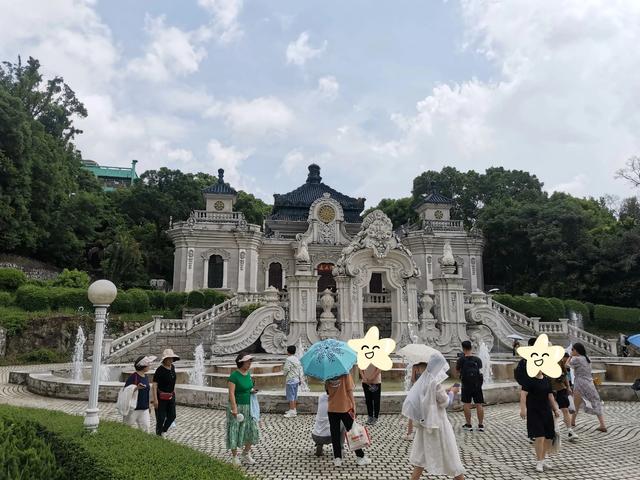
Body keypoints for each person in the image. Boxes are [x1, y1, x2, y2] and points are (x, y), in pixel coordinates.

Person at [403, 352, 465, 480]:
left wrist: (445, 391)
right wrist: (452, 392)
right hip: (438, 424)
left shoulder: (420, 382)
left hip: (425, 424)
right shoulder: (434, 382)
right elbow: (445, 403)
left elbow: (430, 398)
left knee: (420, 461)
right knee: (450, 456)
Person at [519, 366, 561, 473]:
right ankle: (539, 462)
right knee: (540, 437)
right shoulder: (529, 379)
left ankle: (543, 459)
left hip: (546, 411)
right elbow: (523, 395)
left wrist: (555, 409)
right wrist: (523, 409)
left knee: (548, 438)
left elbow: (550, 396)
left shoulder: (546, 380)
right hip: (534, 412)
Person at [325, 373, 371, 467]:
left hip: (332, 408)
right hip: (345, 408)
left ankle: (337, 458)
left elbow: (327, 392)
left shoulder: (327, 375)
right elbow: (349, 391)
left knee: (335, 434)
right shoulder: (345, 374)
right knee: (353, 432)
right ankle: (360, 457)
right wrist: (353, 405)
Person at [227, 352, 260, 466]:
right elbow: (231, 393)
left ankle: (245, 453)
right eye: (248, 361)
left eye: (250, 361)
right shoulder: (234, 376)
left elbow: (248, 388)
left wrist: (252, 391)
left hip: (248, 406)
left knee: (252, 430)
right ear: (241, 362)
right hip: (237, 407)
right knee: (235, 430)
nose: (250, 363)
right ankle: (235, 457)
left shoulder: (248, 374)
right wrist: (234, 408)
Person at [569, 343, 607, 432]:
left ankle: (572, 422)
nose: (571, 351)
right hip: (589, 383)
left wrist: (570, 357)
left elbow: (567, 365)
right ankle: (602, 424)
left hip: (580, 383)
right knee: (594, 401)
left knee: (576, 403)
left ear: (576, 350)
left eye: (572, 350)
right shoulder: (587, 358)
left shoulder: (577, 359)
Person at [455, 340, 485, 432]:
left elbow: (457, 371)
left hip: (466, 384)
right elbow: (480, 369)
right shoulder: (477, 359)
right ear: (471, 348)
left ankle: (469, 424)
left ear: (463, 348)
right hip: (477, 384)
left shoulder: (461, 360)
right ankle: (480, 425)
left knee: (467, 404)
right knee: (479, 404)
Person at [124, 355, 156, 433]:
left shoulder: (145, 376)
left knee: (146, 429)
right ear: (143, 366)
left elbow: (146, 392)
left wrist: (149, 405)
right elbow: (125, 391)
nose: (149, 365)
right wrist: (136, 388)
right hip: (133, 408)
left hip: (144, 408)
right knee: (126, 428)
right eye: (148, 364)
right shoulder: (133, 377)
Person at [515, 337, 538, 443]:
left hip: (528, 387)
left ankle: (534, 433)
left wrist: (524, 384)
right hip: (536, 386)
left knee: (534, 412)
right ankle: (534, 433)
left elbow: (518, 374)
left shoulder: (524, 359)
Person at [153, 348, 179, 436]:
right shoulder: (159, 370)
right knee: (161, 417)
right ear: (164, 359)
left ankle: (163, 430)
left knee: (172, 416)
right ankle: (158, 434)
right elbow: (154, 385)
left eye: (171, 358)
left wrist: (174, 393)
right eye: (168, 358)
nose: (170, 360)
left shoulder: (173, 367)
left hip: (171, 396)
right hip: (161, 397)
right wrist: (155, 400)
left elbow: (173, 381)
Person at [552, 353, 578, 440]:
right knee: (551, 411)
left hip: (560, 387)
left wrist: (568, 387)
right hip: (548, 389)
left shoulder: (559, 360)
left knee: (565, 410)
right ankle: (553, 431)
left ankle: (570, 431)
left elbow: (565, 374)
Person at [312, 390, 346, 457]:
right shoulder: (336, 400)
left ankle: (319, 445)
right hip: (330, 437)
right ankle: (341, 449)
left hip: (315, 436)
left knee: (322, 421)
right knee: (343, 424)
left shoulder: (321, 397)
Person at [405, 362, 427, 440]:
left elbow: (412, 379)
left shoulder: (415, 366)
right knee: (424, 412)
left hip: (416, 390)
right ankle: (425, 432)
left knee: (412, 412)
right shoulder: (427, 365)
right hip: (425, 391)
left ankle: (409, 433)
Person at [283, 345, 304, 418]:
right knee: (294, 395)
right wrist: (300, 379)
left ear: (288, 351)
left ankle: (292, 412)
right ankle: (293, 409)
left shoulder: (288, 359)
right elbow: (300, 370)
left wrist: (284, 374)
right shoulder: (297, 359)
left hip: (290, 380)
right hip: (296, 380)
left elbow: (286, 369)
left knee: (290, 396)